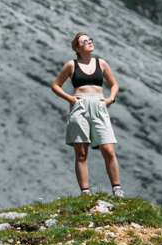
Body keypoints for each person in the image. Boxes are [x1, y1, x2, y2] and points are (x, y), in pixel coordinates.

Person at [51, 32, 122, 197]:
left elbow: (114, 84)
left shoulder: (101, 63)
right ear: (77, 48)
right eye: (85, 41)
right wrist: (70, 98)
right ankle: (85, 193)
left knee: (109, 150)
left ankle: (117, 190)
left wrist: (110, 99)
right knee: (81, 153)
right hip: (80, 107)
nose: (89, 42)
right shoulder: (71, 65)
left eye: (90, 40)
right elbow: (55, 85)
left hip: (99, 106)